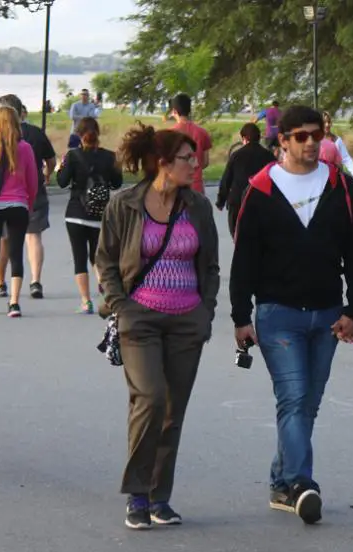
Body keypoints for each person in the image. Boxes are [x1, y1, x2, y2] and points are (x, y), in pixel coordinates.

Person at [229, 105, 353, 525]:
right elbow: (245, 258)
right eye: (301, 136)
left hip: (327, 314)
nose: (311, 143)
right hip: (278, 313)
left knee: (307, 402)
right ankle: (300, 484)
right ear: (283, 141)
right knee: (292, 397)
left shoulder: (340, 185)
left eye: (316, 135)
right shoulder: (261, 189)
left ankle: (280, 480)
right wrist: (240, 316)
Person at [96, 124, 221, 530]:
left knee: (172, 412)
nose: (195, 164)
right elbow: (105, 260)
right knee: (149, 399)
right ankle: (137, 494)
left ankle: (158, 497)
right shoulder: (125, 204)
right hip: (140, 318)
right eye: (187, 158)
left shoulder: (198, 207)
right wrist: (122, 307)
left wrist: (205, 312)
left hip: (187, 321)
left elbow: (211, 266)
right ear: (163, 163)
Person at [0, 105, 38, 317]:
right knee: (16, 253)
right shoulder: (25, 148)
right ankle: (14, 302)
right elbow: (32, 181)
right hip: (19, 205)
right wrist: (29, 205)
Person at [56, 117, 124, 313]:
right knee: (98, 257)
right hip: (99, 214)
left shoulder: (73, 156)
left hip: (75, 213)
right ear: (98, 134)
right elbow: (117, 183)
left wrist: (60, 167)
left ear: (79, 135)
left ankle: (86, 302)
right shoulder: (109, 157)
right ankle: (106, 291)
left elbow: (62, 182)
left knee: (79, 257)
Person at [0, 96, 57, 301]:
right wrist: (46, 174)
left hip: (5, 193)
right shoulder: (36, 133)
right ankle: (35, 281)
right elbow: (51, 160)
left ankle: (0, 282)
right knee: (33, 236)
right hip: (33, 189)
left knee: (4, 238)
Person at [216, 123, 277, 235]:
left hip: (238, 202)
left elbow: (226, 180)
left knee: (237, 235)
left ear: (244, 138)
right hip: (261, 203)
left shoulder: (236, 155)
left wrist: (221, 201)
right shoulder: (269, 156)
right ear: (259, 138)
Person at [169, 93, 213, 194]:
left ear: (174, 111)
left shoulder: (170, 134)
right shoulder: (202, 132)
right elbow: (205, 162)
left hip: (176, 185)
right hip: (196, 185)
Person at [321, 112, 353, 179]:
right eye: (324, 122)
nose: (327, 125)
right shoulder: (315, 140)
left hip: (336, 177)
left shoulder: (337, 140)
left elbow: (346, 158)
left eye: (329, 122)